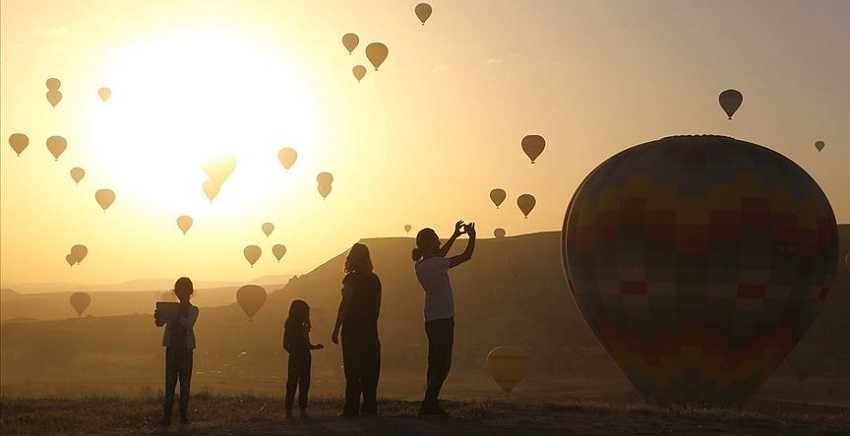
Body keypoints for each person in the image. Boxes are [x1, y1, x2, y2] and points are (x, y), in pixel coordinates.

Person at [412, 220, 476, 415]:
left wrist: (455, 235)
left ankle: (429, 402)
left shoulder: (421, 265)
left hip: (431, 318)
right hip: (443, 318)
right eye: (437, 240)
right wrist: (471, 238)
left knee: (434, 361)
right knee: (443, 363)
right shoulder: (438, 263)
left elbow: (439, 255)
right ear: (431, 243)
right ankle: (430, 402)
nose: (440, 242)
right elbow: (466, 256)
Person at [332, 243, 382, 416]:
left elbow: (344, 304)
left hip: (352, 330)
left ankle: (351, 408)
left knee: (352, 370)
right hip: (369, 329)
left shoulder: (351, 279)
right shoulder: (374, 280)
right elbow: (376, 307)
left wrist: (336, 328)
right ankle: (370, 406)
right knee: (370, 369)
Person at [154, 277, 200, 426]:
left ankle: (182, 416)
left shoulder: (194, 310)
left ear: (190, 292)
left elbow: (188, 325)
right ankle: (167, 416)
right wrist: (159, 317)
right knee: (170, 384)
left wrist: (173, 314)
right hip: (173, 348)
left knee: (184, 384)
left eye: (184, 290)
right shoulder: (174, 309)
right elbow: (160, 324)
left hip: (184, 350)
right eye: (180, 290)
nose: (182, 293)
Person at [283, 299, 324, 419]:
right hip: (300, 356)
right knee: (297, 383)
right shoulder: (294, 325)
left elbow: (292, 344)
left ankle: (295, 410)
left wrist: (313, 347)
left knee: (300, 383)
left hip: (302, 356)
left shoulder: (301, 324)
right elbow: (286, 344)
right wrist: (297, 352)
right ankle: (295, 410)